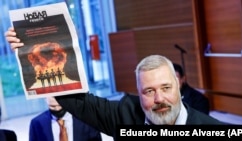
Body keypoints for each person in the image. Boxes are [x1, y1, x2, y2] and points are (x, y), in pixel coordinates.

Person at [5, 27, 226, 140]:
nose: (159, 98)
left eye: (166, 88)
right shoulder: (126, 114)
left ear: (179, 87)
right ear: (139, 94)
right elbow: (76, 101)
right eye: (149, 91)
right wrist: (30, 51)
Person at [29, 97, 102, 141]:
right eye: (52, 106)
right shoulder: (36, 123)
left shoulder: (86, 119)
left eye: (60, 105)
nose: (57, 109)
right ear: (45, 100)